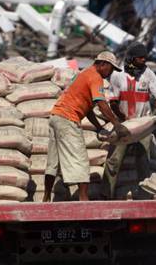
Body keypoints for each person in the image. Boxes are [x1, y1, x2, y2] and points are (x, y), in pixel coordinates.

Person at [43, 51, 130, 202]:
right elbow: (101, 104)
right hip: (68, 119)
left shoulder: (84, 74)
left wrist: (97, 127)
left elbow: (88, 108)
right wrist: (117, 124)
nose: (110, 73)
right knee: (80, 159)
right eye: (111, 69)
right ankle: (84, 199)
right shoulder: (95, 77)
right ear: (103, 64)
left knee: (53, 161)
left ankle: (45, 197)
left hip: (56, 116)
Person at [101, 43, 156, 199]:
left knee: (144, 162)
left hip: (143, 126)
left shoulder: (148, 74)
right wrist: (120, 117)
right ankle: (106, 195)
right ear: (131, 58)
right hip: (124, 125)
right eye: (140, 58)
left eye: (145, 58)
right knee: (114, 161)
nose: (143, 61)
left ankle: (145, 196)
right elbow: (113, 101)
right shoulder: (118, 75)